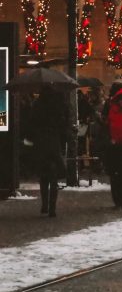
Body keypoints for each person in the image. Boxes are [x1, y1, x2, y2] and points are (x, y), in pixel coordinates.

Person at [28, 88, 68, 217]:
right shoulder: (58, 105)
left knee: (44, 177)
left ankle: (45, 204)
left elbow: (32, 123)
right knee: (53, 177)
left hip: (41, 143)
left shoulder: (37, 105)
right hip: (54, 143)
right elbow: (63, 125)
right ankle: (52, 208)